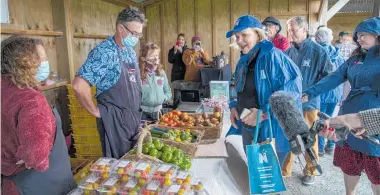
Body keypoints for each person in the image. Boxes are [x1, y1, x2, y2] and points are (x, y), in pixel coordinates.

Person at [303, 17, 380, 194]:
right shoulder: (354, 59)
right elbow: (334, 77)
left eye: (363, 35)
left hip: (374, 120)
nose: (359, 39)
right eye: (357, 36)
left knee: (375, 167)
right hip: (348, 115)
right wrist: (310, 92)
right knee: (350, 163)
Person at [1, 36, 76, 195]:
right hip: (38, 184)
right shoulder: (31, 100)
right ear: (24, 63)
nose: (45, 63)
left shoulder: (5, 89)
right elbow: (37, 155)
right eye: (41, 59)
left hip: (11, 182)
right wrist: (31, 158)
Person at [226, 15, 302, 166]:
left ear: (258, 34)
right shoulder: (243, 61)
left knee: (268, 178)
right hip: (248, 127)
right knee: (253, 171)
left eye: (244, 35)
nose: (239, 40)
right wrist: (234, 105)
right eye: (236, 36)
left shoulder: (273, 56)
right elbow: (239, 88)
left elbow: (292, 91)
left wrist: (264, 113)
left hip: (271, 129)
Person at [72, 7, 147, 158]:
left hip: (132, 120)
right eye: (134, 33)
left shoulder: (130, 52)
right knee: (119, 169)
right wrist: (95, 111)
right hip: (114, 123)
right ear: (120, 28)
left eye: (140, 34)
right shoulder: (105, 52)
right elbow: (79, 85)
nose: (137, 38)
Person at [284, 16, 334, 185]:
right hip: (290, 104)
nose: (290, 34)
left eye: (293, 30)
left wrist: (312, 93)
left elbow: (330, 76)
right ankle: (285, 170)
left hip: (309, 105)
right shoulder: (288, 52)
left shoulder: (318, 51)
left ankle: (310, 170)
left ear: (304, 29)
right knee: (288, 137)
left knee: (308, 139)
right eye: (289, 30)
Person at [314, 27, 345, 156]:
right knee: (332, 118)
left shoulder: (317, 54)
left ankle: (320, 148)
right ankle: (330, 145)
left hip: (322, 93)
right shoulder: (339, 55)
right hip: (336, 93)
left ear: (317, 39)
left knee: (321, 120)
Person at [140, 43, 172, 121]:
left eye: (156, 55)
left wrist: (163, 98)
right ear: (143, 58)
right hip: (142, 113)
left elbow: (168, 91)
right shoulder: (139, 74)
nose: (155, 58)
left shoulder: (161, 73)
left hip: (159, 112)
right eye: (152, 56)